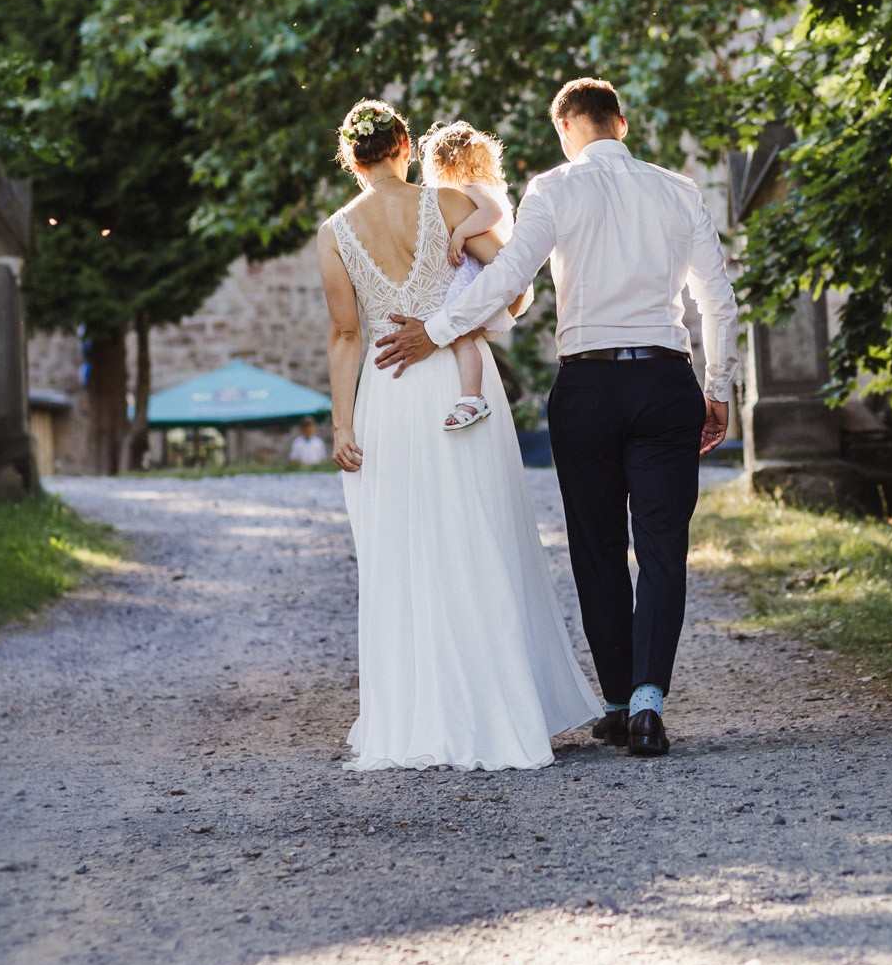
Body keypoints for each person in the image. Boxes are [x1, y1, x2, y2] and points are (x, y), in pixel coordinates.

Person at [377, 76, 739, 760]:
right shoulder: (678, 191)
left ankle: (615, 698)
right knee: (663, 547)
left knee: (596, 545)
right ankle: (647, 701)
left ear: (566, 128)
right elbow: (718, 302)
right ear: (621, 124)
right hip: (666, 380)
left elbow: (510, 276)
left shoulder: (554, 188)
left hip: (588, 386)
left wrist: (436, 327)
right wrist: (717, 389)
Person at [316, 98, 599, 770]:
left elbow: (345, 335)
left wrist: (341, 423)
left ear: (348, 157)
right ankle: (499, 710)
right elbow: (514, 286)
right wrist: (465, 316)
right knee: (480, 535)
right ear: (405, 143)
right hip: (457, 381)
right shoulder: (446, 204)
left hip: (387, 394)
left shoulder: (334, 232)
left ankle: (420, 715)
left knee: (405, 549)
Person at [419, 119, 521, 433]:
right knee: (458, 336)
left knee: (461, 335)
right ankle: (467, 393)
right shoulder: (463, 190)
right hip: (470, 272)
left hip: (476, 276)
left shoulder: (468, 186)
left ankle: (472, 398)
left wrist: (460, 234)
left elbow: (493, 214)